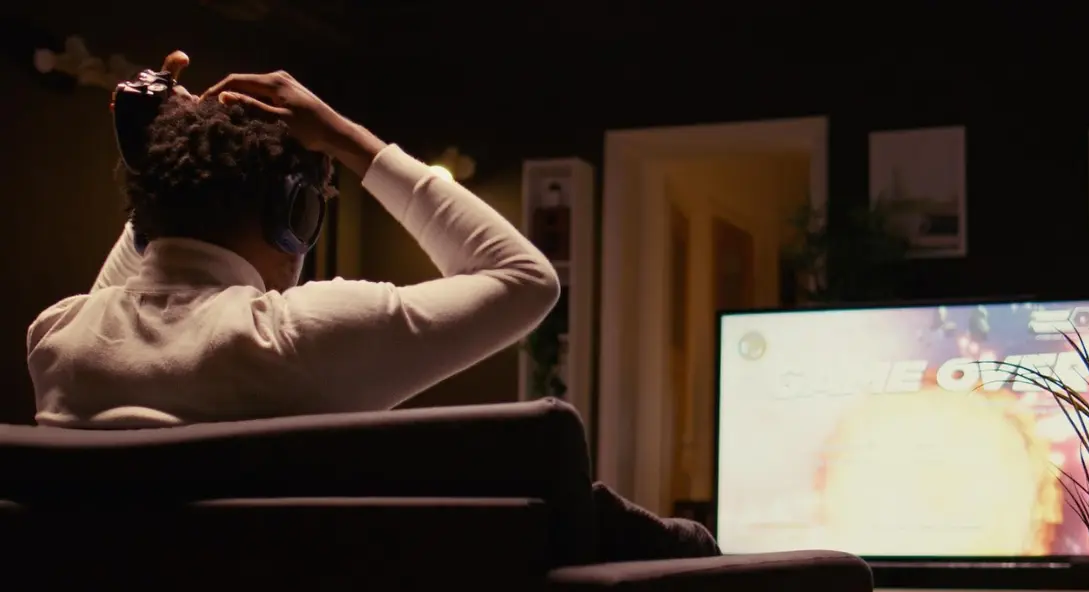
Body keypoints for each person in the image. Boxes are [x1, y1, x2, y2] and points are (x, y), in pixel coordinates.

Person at [25, 51, 717, 561]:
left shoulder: (57, 341)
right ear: (295, 217)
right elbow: (524, 276)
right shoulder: (298, 339)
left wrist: (154, 166)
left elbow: (123, 296)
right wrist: (345, 136)